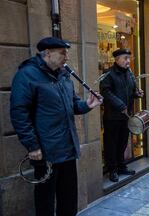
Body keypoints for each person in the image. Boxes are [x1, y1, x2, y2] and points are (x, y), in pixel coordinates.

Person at [10, 37, 102, 216]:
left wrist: (87, 105)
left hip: (67, 148)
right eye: (62, 53)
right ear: (47, 53)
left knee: (69, 198)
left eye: (66, 53)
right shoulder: (27, 75)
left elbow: (73, 104)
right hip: (46, 151)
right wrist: (32, 145)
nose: (66, 57)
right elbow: (19, 113)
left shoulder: (64, 75)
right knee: (45, 199)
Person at [100, 48, 144, 182]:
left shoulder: (129, 74)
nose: (128, 61)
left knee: (122, 142)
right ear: (117, 59)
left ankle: (121, 166)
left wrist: (137, 94)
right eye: (125, 58)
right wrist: (121, 105)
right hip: (112, 117)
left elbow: (130, 91)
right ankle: (112, 169)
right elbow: (106, 92)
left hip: (126, 116)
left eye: (129, 58)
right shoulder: (109, 74)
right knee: (111, 144)